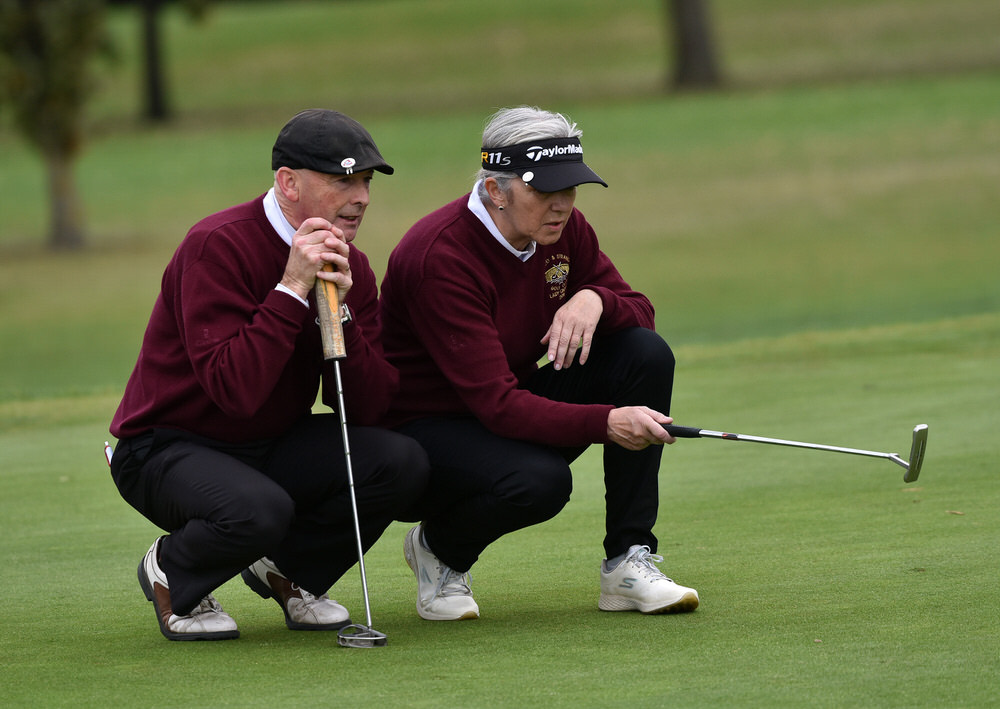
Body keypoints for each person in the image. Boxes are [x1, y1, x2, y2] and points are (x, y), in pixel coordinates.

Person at [109, 109, 428, 641]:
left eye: (366, 181)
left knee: (400, 461)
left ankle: (290, 571)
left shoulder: (353, 267)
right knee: (260, 510)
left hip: (267, 442)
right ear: (288, 183)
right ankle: (173, 570)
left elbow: (369, 410)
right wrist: (291, 289)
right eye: (343, 180)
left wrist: (343, 315)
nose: (362, 197)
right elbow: (235, 390)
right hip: (165, 445)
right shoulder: (217, 245)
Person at [379, 106, 698, 621]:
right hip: (422, 429)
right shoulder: (439, 256)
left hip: (503, 398)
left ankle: (627, 562)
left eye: (569, 190)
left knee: (643, 353)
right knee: (541, 481)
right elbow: (497, 406)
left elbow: (641, 312)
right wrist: (607, 421)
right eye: (543, 192)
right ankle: (439, 551)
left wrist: (595, 298)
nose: (562, 206)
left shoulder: (564, 232)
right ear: (495, 191)